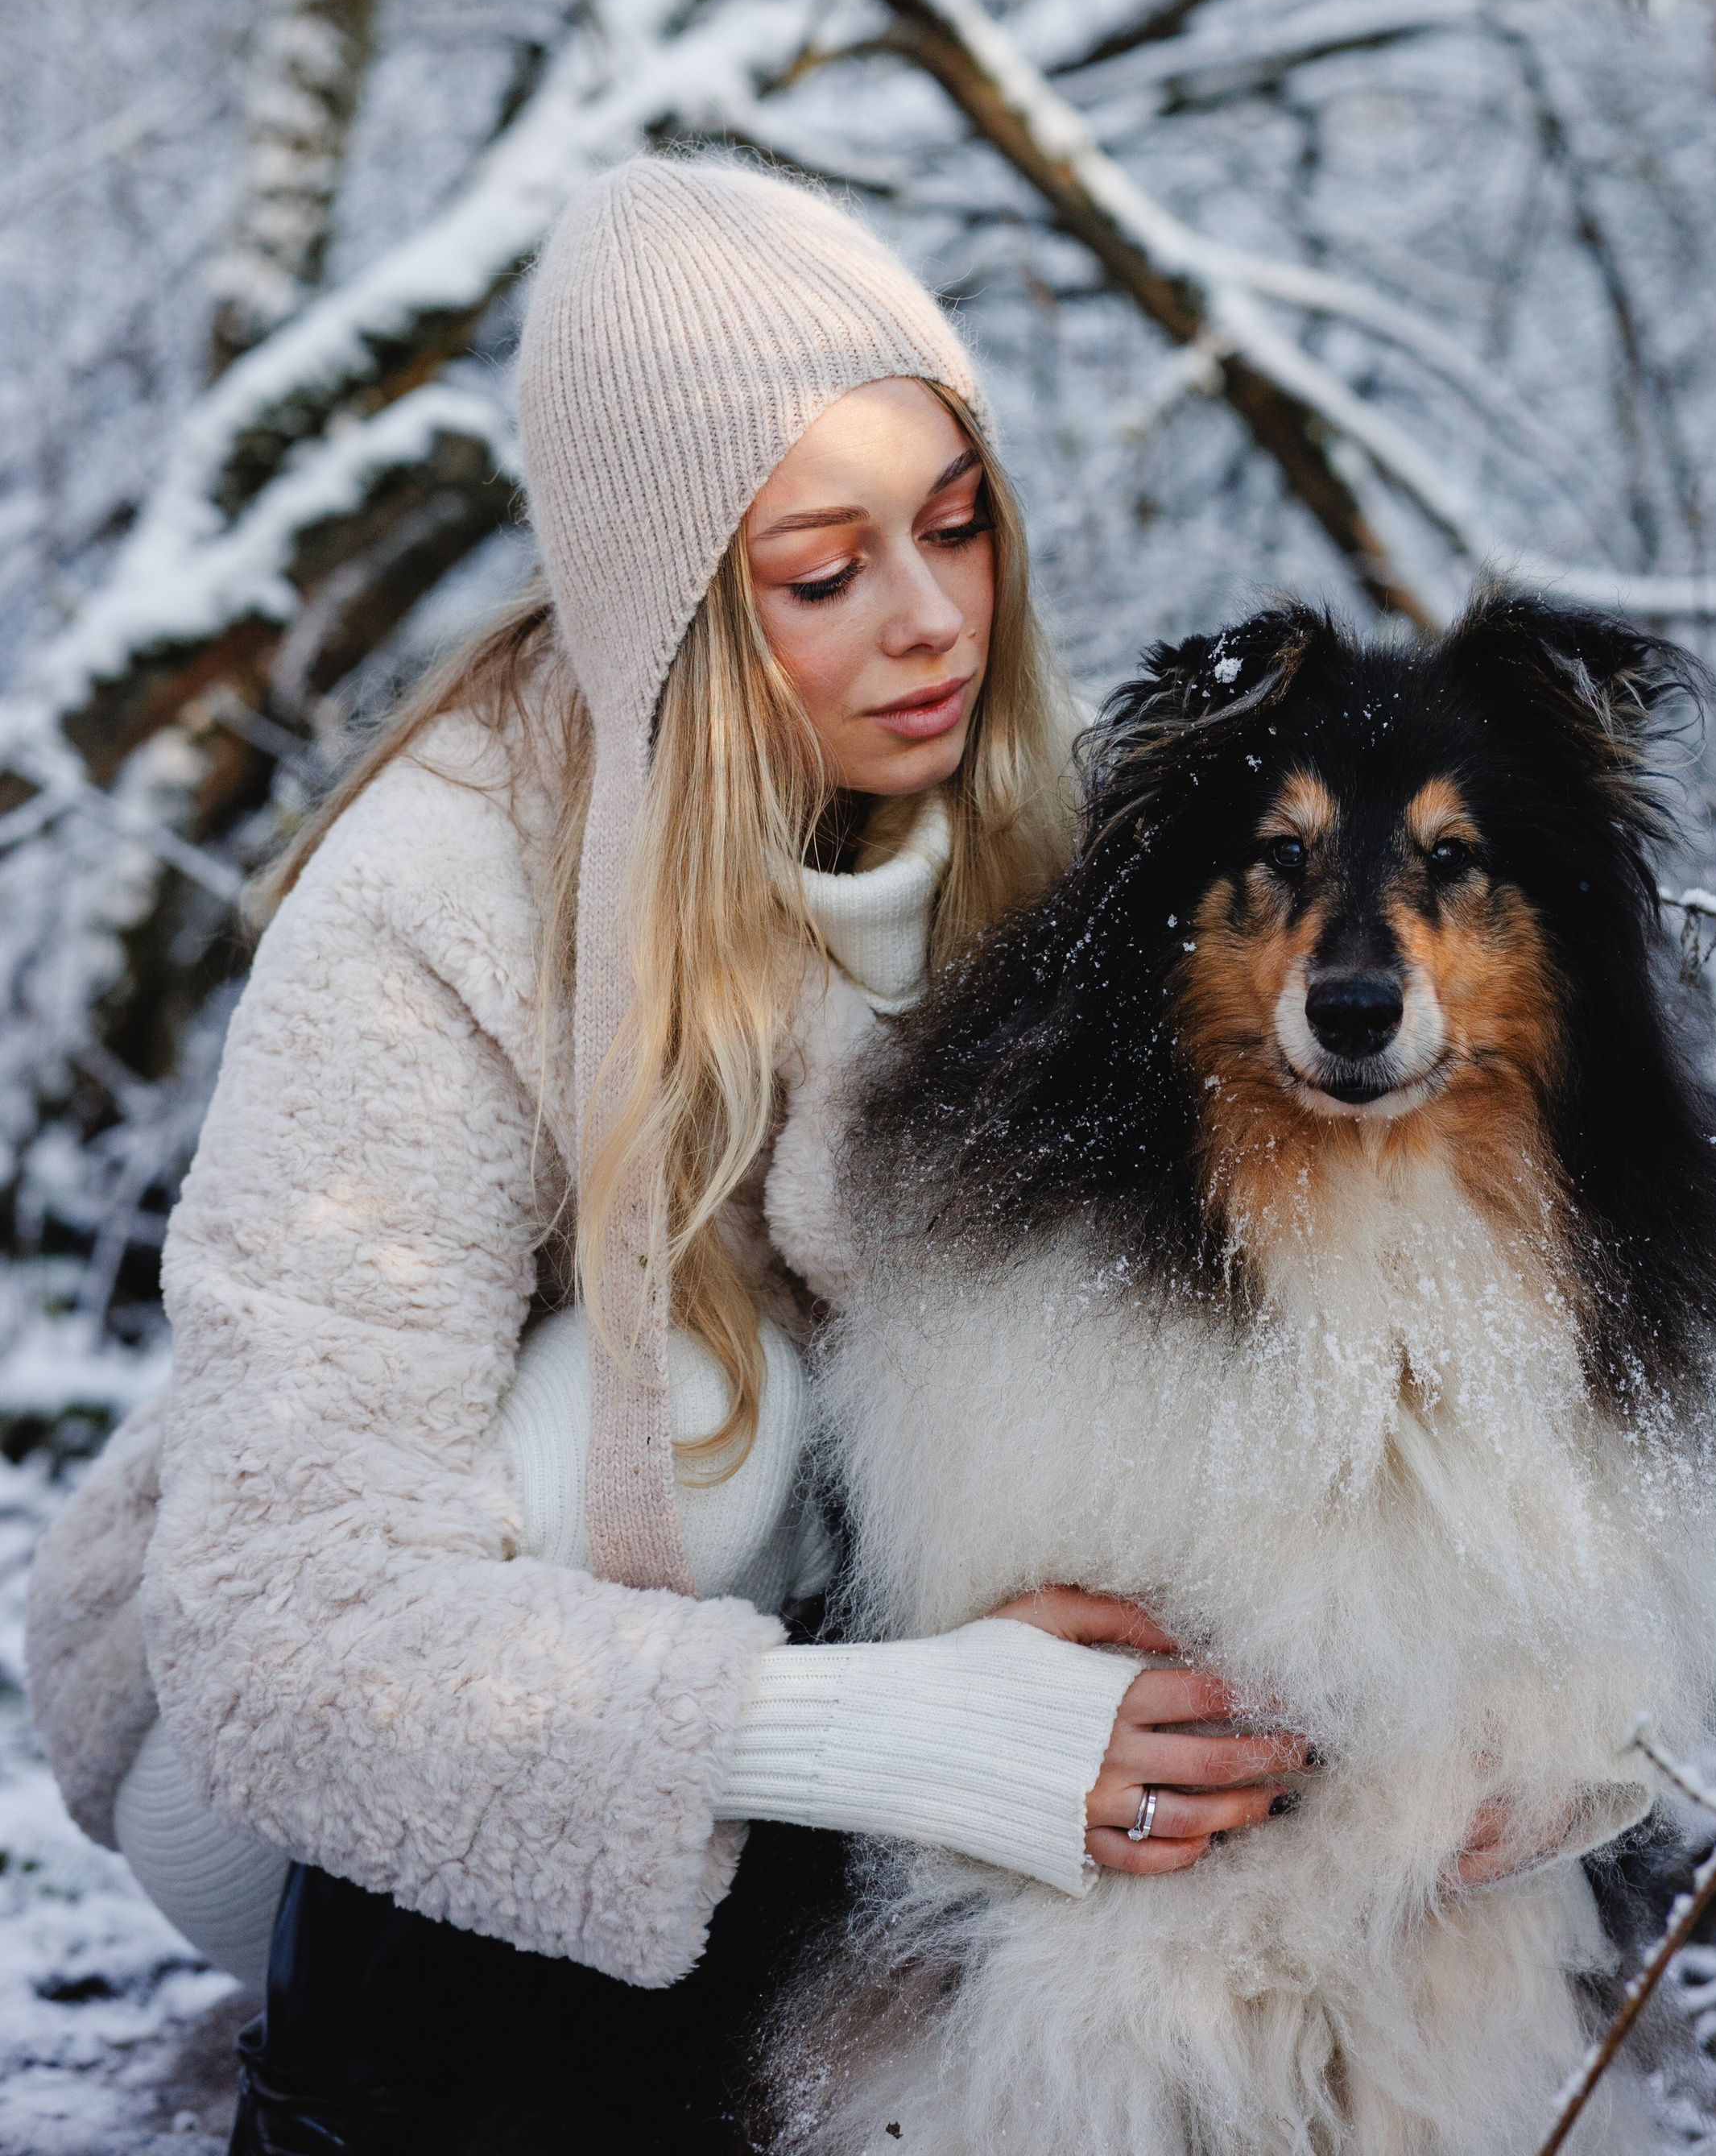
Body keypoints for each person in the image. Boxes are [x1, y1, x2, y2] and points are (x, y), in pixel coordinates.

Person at [39, 160, 1309, 2154]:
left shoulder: (1030, 842)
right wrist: (912, 1734)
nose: (929, 620)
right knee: (721, 1406)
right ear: (682, 610)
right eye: (824, 572)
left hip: (756, 1687)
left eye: (958, 525)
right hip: (283, 1775)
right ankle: (336, 2111)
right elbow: (284, 1637)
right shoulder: (436, 892)